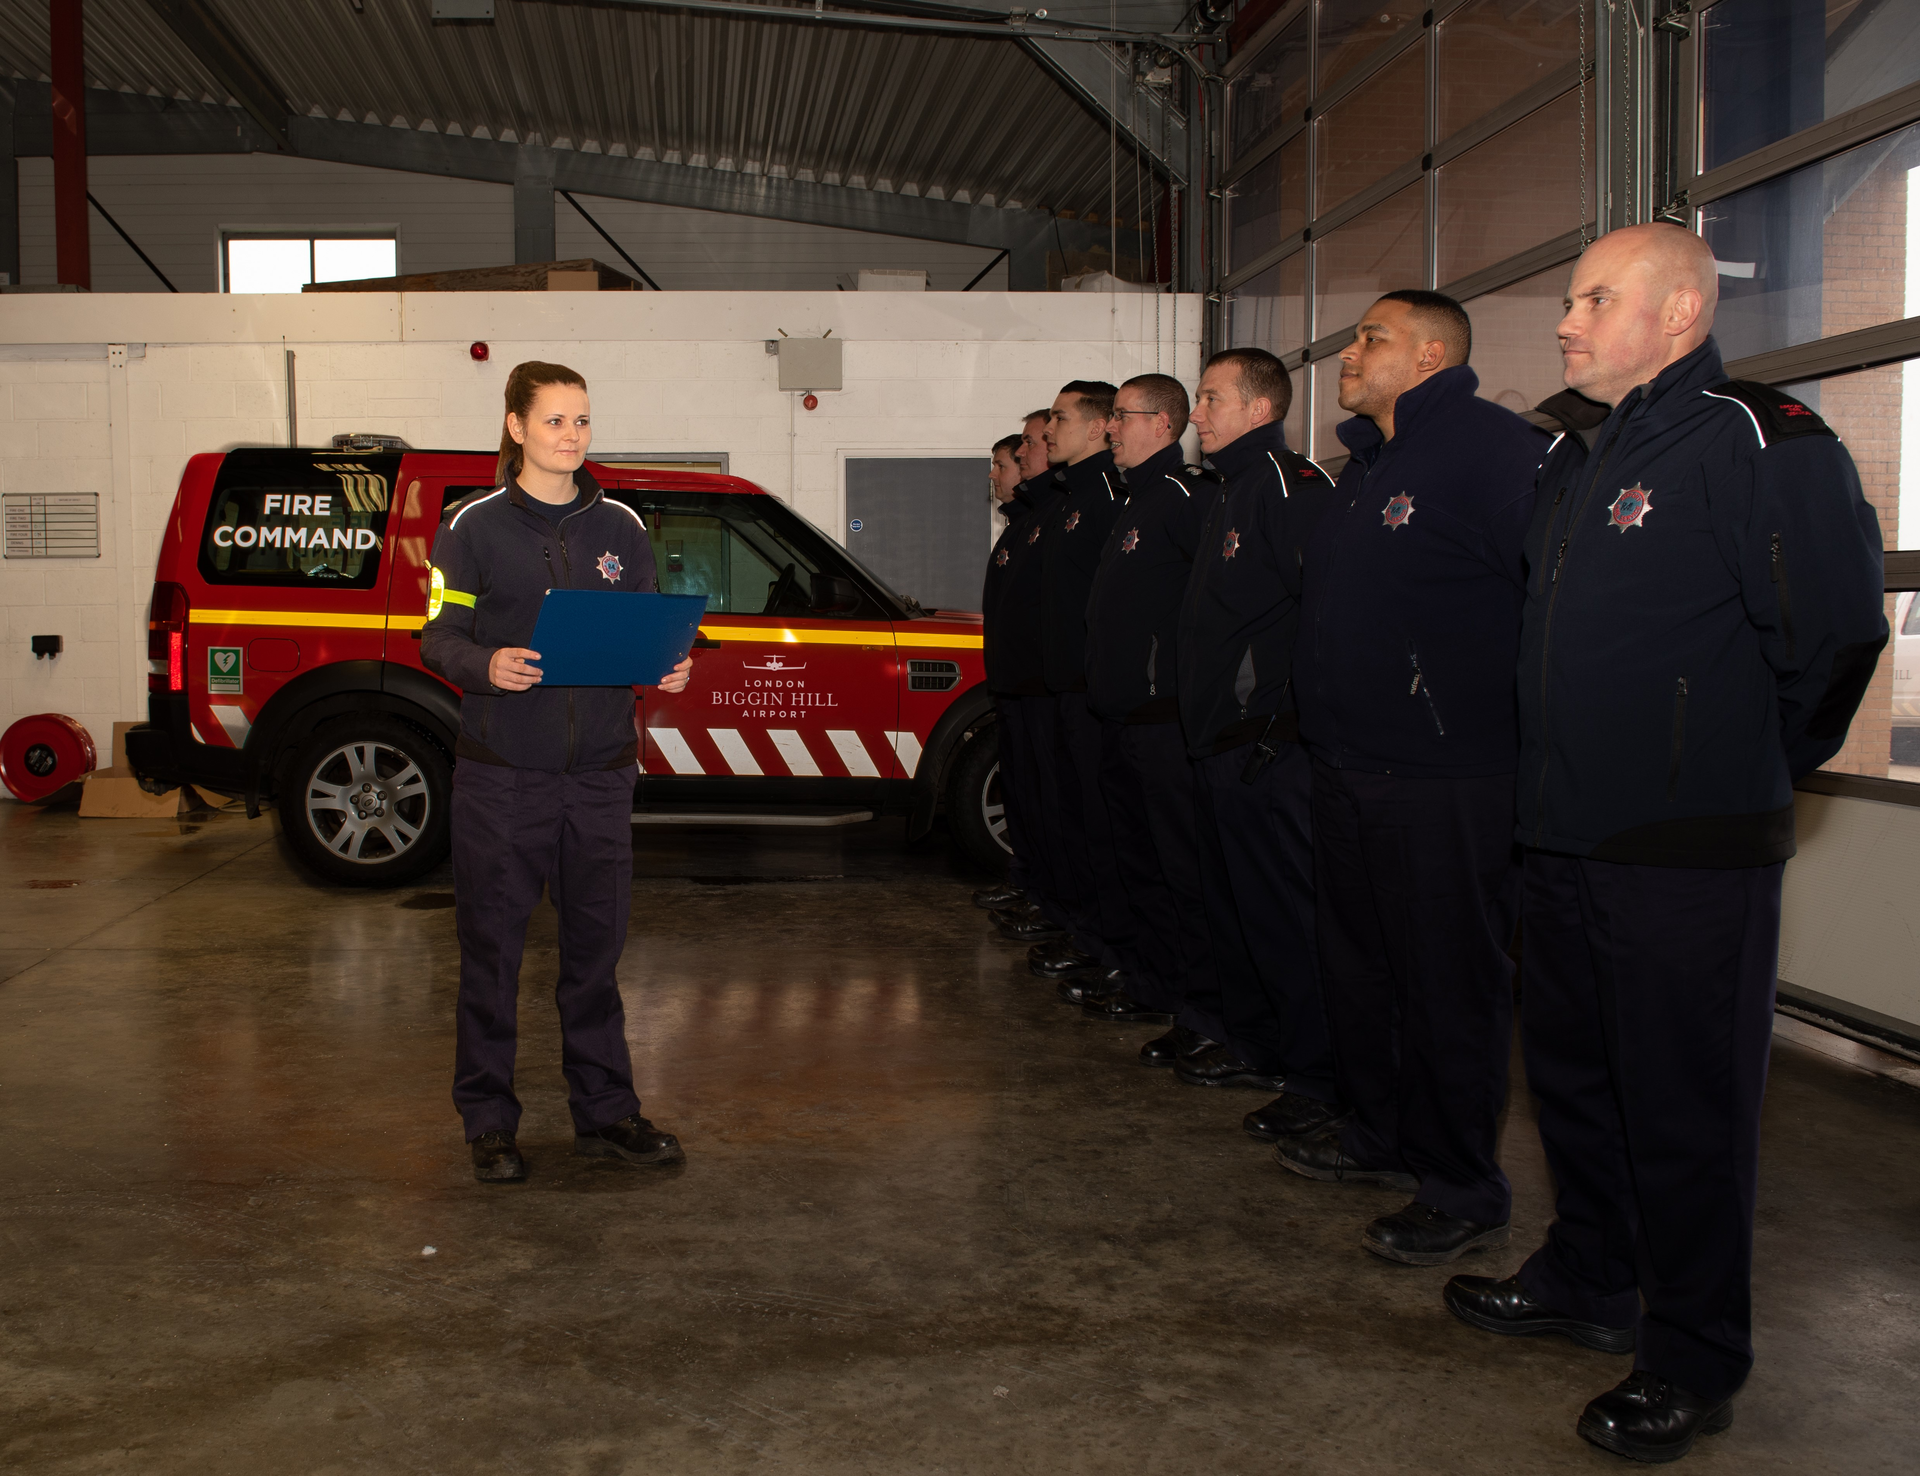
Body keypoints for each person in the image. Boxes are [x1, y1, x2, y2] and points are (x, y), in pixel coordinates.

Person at [1442, 224, 1886, 1463]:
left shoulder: (1758, 439)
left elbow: (1836, 638)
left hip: (1687, 849)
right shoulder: (1579, 454)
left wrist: (1731, 771)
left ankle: (1693, 1356)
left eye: (1594, 299)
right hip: (1563, 834)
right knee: (1576, 1083)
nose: (1566, 321)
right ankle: (1591, 1277)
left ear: (1681, 313)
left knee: (1686, 1111)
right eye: (1570, 300)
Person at [1283, 291, 1547, 1268]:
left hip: (1447, 777)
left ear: (1432, 355)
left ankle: (1462, 1184)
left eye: (1372, 338)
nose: (1350, 354)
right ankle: (1382, 1131)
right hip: (1348, 766)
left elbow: (1549, 602)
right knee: (1362, 967)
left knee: (1447, 983)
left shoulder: (1492, 453)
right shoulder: (1367, 466)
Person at [421, 360, 695, 1184]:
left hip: (601, 776)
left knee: (594, 956)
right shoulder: (470, 527)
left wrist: (669, 663)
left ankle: (606, 1112)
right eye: (554, 420)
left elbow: (646, 627)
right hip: (504, 777)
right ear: (516, 427)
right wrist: (484, 663)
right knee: (492, 955)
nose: (571, 436)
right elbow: (437, 637)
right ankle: (488, 1122)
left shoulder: (622, 526)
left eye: (581, 420)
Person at [1171, 348, 1342, 1113]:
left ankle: (1313, 1074)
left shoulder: (1287, 484)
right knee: (1239, 914)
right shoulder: (1230, 489)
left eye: (1212, 398)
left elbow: (1325, 612)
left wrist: (1283, 721)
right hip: (1223, 742)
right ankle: (1258, 1045)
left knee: (1286, 920)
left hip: (1266, 745)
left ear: (1259, 408)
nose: (1198, 413)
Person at [1076, 373, 1218, 1030]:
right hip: (1123, 717)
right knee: (1136, 858)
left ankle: (1193, 998)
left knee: (1177, 868)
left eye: (1122, 416)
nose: (1110, 427)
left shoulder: (1185, 497)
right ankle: (1151, 981)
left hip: (1163, 720)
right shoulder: (1139, 499)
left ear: (1162, 424)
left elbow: (1209, 608)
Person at [1024, 380, 1142, 994]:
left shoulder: (1111, 497)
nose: (1048, 430)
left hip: (1094, 691)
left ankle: (1111, 944)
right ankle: (1087, 930)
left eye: (1060, 418)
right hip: (1064, 688)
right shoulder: (1075, 498)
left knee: (1103, 826)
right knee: (1074, 817)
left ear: (1097, 428)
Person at [977, 411, 1069, 929]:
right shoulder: (1023, 524)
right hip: (1016, 684)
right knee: (1024, 793)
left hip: (1041, 686)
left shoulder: (1050, 517)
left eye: (1004, 463)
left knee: (1047, 798)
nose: (996, 474)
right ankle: (1030, 881)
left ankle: (1048, 896)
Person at [989, 433, 1023, 516]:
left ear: (1024, 467)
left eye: (1001, 466)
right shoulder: (1018, 517)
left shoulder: (1043, 515)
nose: (991, 475)